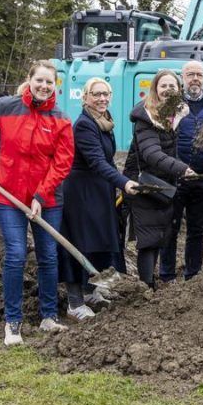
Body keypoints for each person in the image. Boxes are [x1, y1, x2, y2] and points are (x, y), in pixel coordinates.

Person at [0, 60, 74, 346]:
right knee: (15, 254)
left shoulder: (61, 119)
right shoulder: (6, 107)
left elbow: (63, 163)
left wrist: (40, 195)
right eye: (39, 80)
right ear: (29, 80)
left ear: (56, 86)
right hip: (7, 195)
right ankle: (13, 323)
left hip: (47, 199)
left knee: (48, 256)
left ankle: (49, 316)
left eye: (49, 82)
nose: (44, 86)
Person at [58, 78, 138, 320]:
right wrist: (122, 182)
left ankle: (89, 290)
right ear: (86, 97)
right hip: (81, 193)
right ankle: (74, 303)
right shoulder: (84, 125)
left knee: (98, 241)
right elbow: (96, 161)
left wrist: (119, 183)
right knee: (79, 242)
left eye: (106, 94)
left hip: (99, 190)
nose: (102, 99)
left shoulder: (104, 121)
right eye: (96, 94)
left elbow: (109, 160)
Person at [124, 70, 195, 289]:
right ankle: (145, 287)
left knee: (158, 235)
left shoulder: (172, 115)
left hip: (161, 185)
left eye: (172, 87)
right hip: (143, 185)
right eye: (163, 86)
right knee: (149, 239)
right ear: (155, 89)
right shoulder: (146, 116)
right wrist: (182, 169)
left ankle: (149, 285)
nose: (167, 90)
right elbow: (151, 154)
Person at [159, 61, 203, 282]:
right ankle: (166, 275)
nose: (195, 78)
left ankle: (193, 274)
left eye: (199, 75)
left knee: (197, 229)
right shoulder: (170, 104)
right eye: (190, 74)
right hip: (174, 178)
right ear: (182, 77)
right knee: (170, 228)